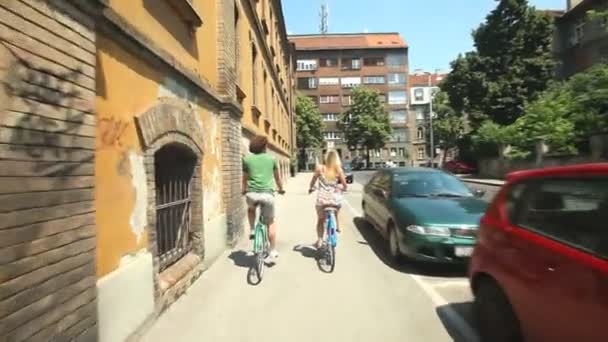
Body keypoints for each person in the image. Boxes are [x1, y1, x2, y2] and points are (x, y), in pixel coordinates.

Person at [242, 135, 285, 260]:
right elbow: (277, 178)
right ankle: (272, 250)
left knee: (251, 209)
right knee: (270, 222)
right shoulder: (271, 159)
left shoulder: (247, 160)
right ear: (264, 146)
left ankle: (252, 230)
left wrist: (243, 190)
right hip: (267, 195)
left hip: (252, 194)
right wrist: (281, 189)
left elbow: (244, 179)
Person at [308, 150, 348, 248]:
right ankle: (337, 226)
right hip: (334, 199)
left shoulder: (319, 168)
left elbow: (312, 183)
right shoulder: (338, 170)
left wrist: (311, 188)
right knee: (337, 208)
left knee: (320, 220)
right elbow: (345, 185)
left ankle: (320, 240)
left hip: (322, 199)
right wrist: (342, 188)